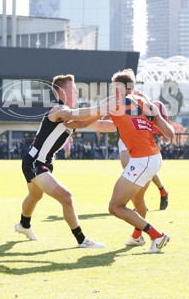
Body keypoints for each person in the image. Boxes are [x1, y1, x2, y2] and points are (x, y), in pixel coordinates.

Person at [14, 74, 114, 248]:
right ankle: (82, 240)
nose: (76, 92)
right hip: (35, 163)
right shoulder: (58, 109)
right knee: (66, 197)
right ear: (62, 91)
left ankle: (24, 225)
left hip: (40, 162)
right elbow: (72, 114)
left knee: (35, 195)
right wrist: (101, 108)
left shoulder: (70, 116)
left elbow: (98, 125)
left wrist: (126, 122)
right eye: (73, 89)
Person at [87, 69, 175, 253]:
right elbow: (170, 133)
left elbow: (104, 118)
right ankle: (136, 237)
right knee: (138, 200)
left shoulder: (119, 102)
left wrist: (77, 120)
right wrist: (156, 119)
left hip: (142, 158)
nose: (112, 92)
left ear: (119, 88)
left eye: (113, 88)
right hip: (153, 156)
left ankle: (157, 236)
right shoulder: (143, 100)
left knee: (116, 206)